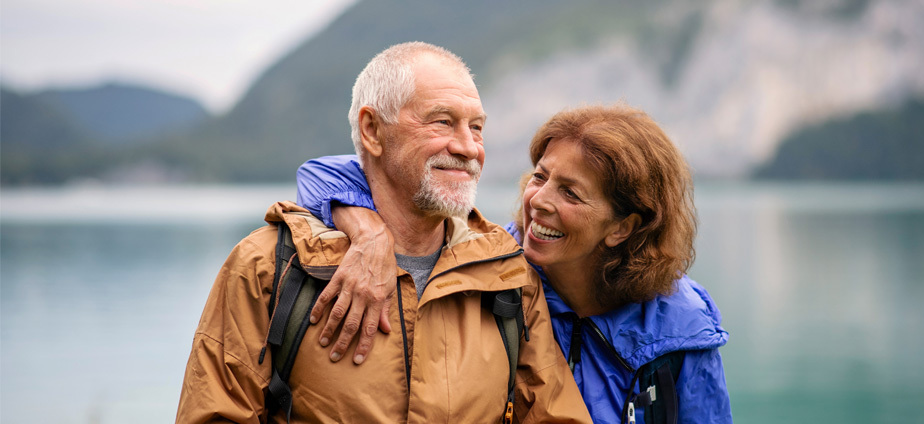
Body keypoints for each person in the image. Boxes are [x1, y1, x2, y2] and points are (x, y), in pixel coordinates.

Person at [176, 41, 591, 423]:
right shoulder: (268, 266)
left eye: (477, 127)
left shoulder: (509, 275)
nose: (468, 147)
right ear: (373, 131)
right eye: (443, 122)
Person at [296, 104, 733, 423]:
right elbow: (320, 173)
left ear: (622, 228)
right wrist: (367, 230)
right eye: (540, 176)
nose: (537, 201)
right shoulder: (492, 267)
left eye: (570, 193)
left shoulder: (681, 325)